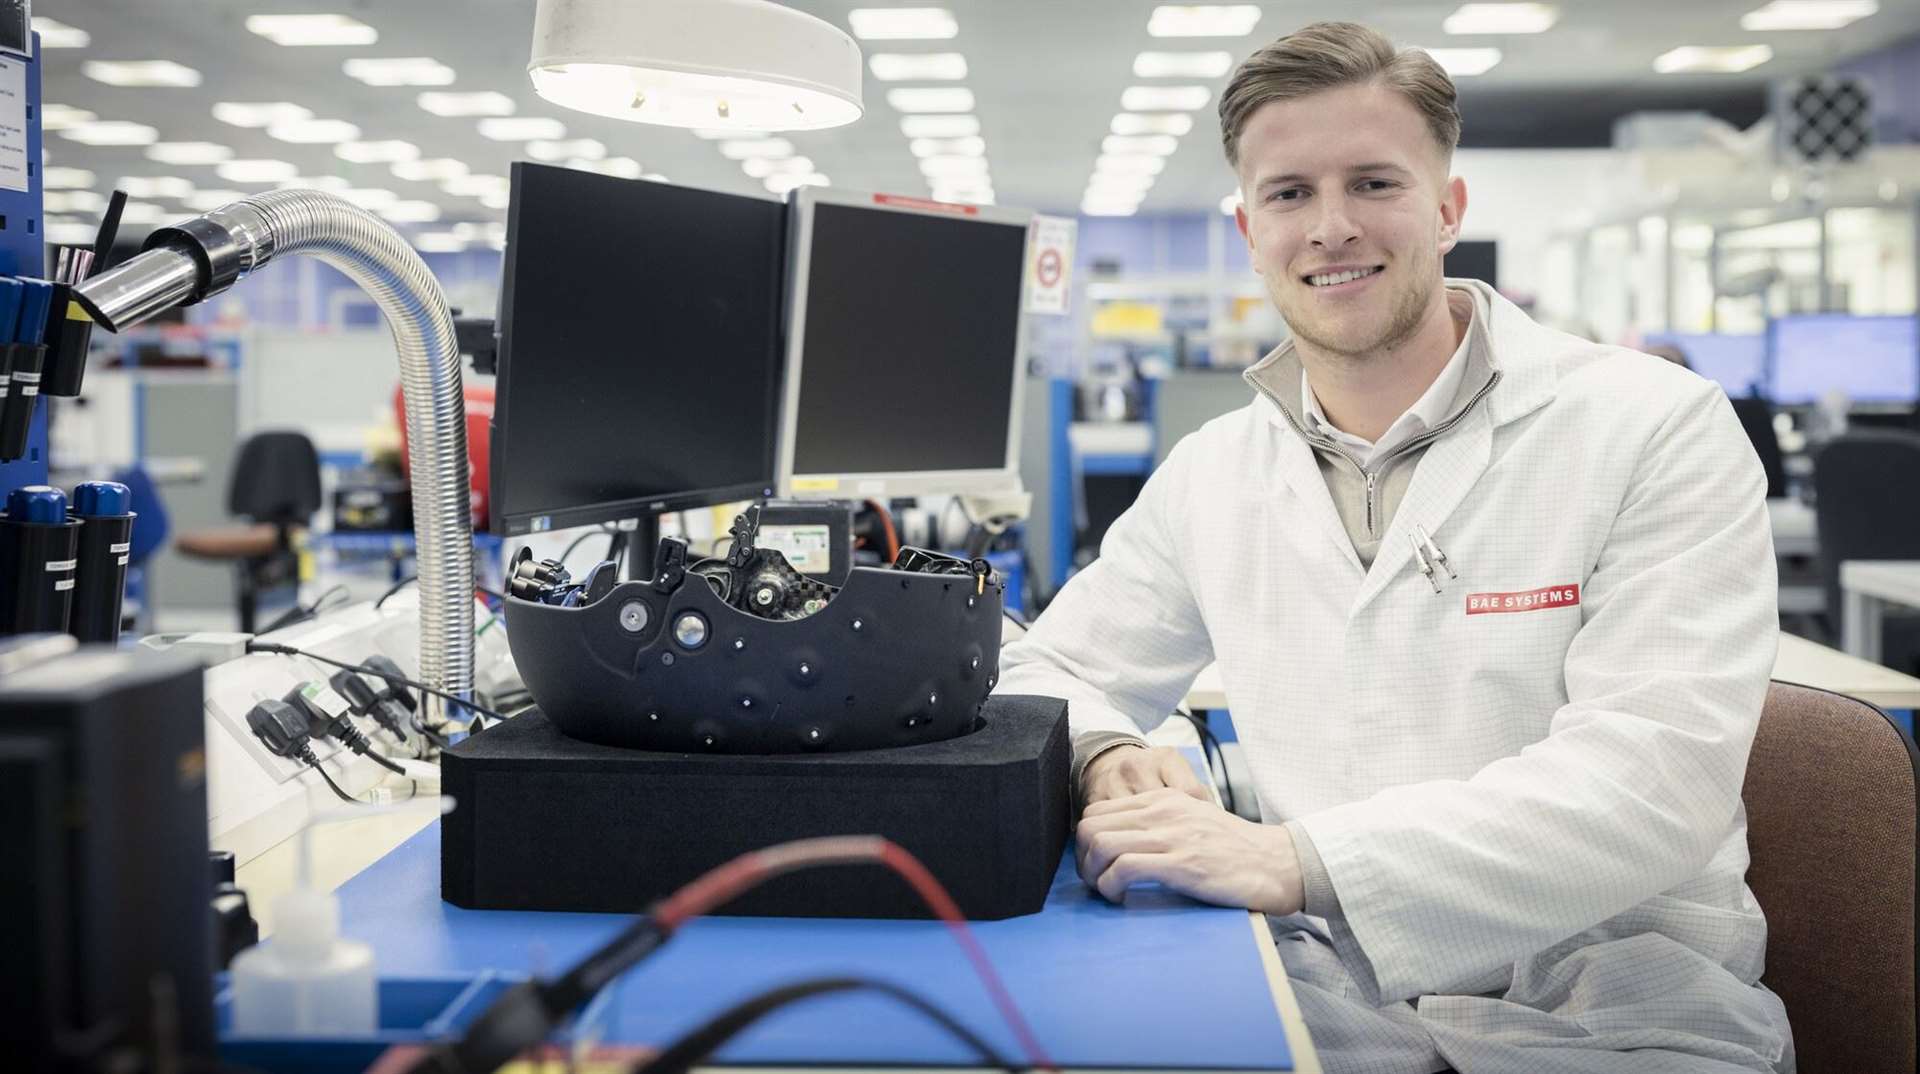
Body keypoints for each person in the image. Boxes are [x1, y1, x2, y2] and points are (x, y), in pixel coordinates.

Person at [995, 21, 1790, 1074]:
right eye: (1289, 194)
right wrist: (1111, 751)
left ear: (1448, 208)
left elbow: (1653, 782)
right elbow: (1044, 664)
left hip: (1620, 1007)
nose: (1331, 227)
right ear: (1248, 227)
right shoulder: (1218, 470)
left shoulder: (1655, 425)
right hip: (1337, 995)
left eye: (1374, 183)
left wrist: (1298, 858)